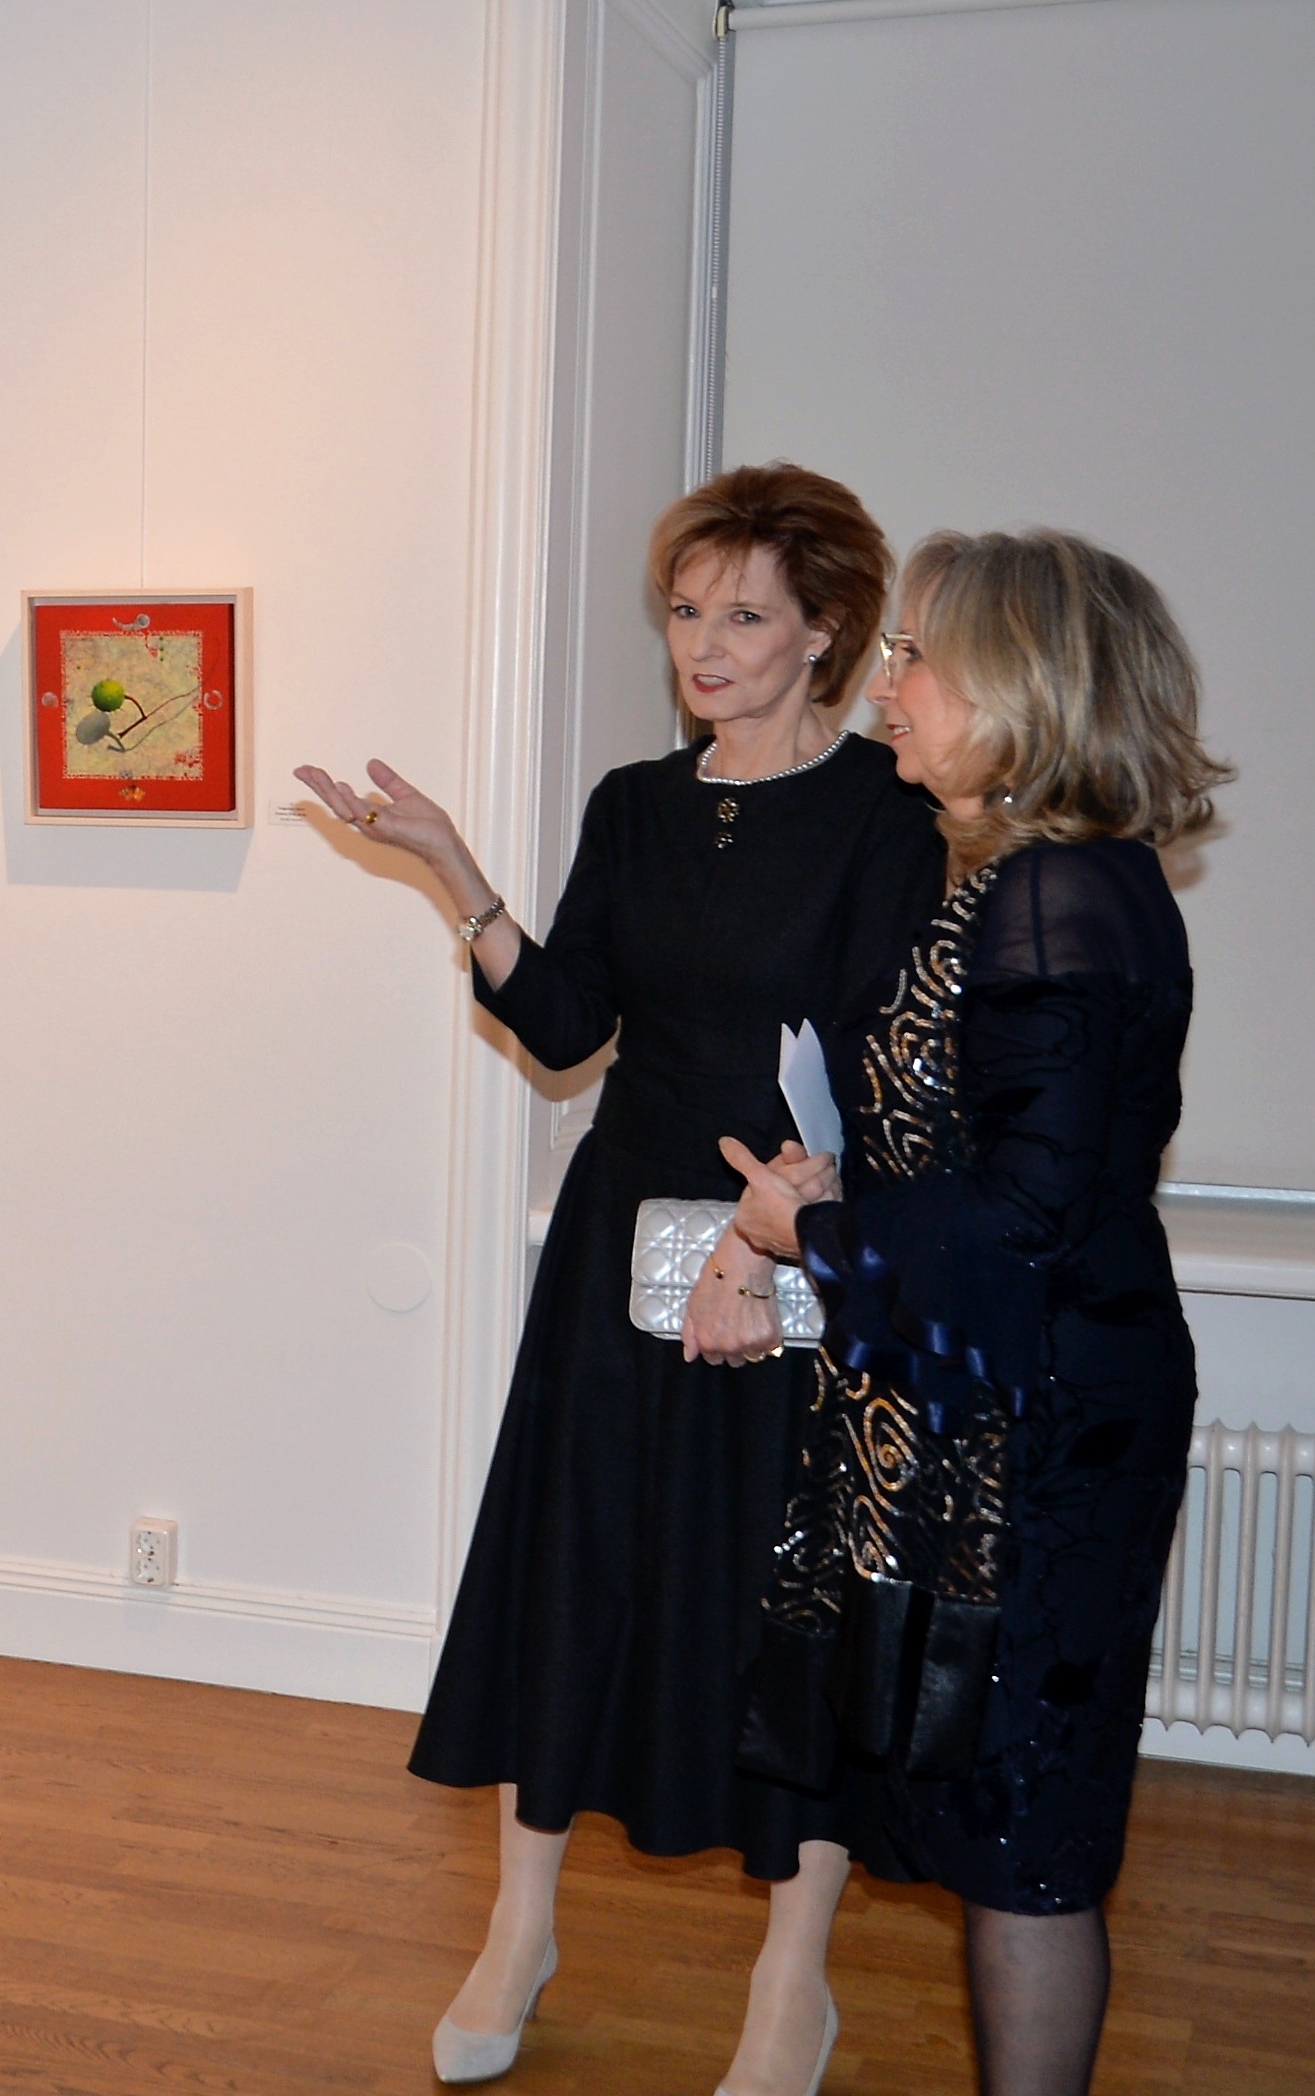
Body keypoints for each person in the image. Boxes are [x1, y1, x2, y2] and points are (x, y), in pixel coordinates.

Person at [297, 462, 945, 2094]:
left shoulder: (887, 815)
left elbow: (881, 1078)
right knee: (574, 1566)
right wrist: (456, 875)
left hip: (794, 1247)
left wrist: (756, 1244)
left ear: (826, 634)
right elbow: (571, 1029)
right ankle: (519, 1932)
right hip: (618, 1240)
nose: (704, 647)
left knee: (782, 1601)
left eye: (746, 617)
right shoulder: (635, 804)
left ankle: (792, 1984)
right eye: (685, 611)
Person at [724, 530, 1226, 2096]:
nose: (891, 686)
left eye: (918, 655)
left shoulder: (1053, 891)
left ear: (1022, 685)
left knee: (1028, 1834)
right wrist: (852, 1182)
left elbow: (1027, 1214)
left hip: (1045, 1429)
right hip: (1039, 1396)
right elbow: (1010, 1158)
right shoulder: (1049, 881)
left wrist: (816, 1228)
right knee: (1015, 1819)